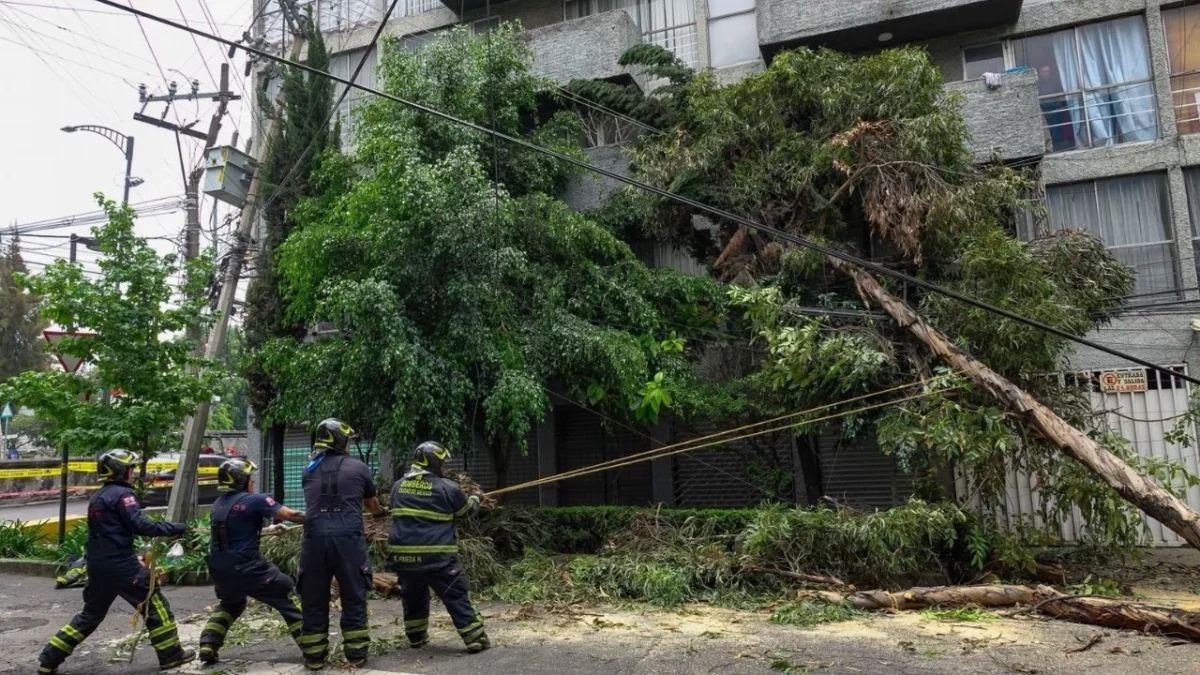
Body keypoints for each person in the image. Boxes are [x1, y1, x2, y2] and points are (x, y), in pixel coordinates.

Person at [38, 449, 195, 675]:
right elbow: (140, 525)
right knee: (155, 606)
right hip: (121, 566)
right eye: (131, 468)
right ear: (122, 471)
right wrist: (176, 527)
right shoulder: (124, 495)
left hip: (97, 565)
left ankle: (48, 659)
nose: (133, 472)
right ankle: (171, 656)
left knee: (90, 615)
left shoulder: (98, 497)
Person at [198, 458, 307, 665]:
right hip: (247, 566)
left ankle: (208, 644)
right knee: (284, 591)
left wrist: (270, 530)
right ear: (241, 480)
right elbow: (292, 515)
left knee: (231, 603)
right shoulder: (255, 500)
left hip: (219, 567)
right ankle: (312, 647)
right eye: (250, 478)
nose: (253, 483)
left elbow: (235, 533)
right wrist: (322, 518)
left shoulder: (218, 505)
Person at [298, 418, 386, 670]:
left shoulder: (308, 469)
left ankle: (314, 657)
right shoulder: (359, 468)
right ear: (341, 442)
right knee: (353, 594)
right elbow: (372, 504)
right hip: (347, 539)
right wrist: (380, 513)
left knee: (314, 597)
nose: (349, 445)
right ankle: (356, 654)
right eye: (347, 440)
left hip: (314, 540)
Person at [387, 441, 489, 653]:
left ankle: (416, 638)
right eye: (442, 463)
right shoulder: (447, 487)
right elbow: (466, 513)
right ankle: (476, 639)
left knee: (413, 596)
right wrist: (476, 497)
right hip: (437, 558)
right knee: (456, 595)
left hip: (404, 558)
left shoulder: (398, 486)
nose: (444, 467)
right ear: (433, 463)